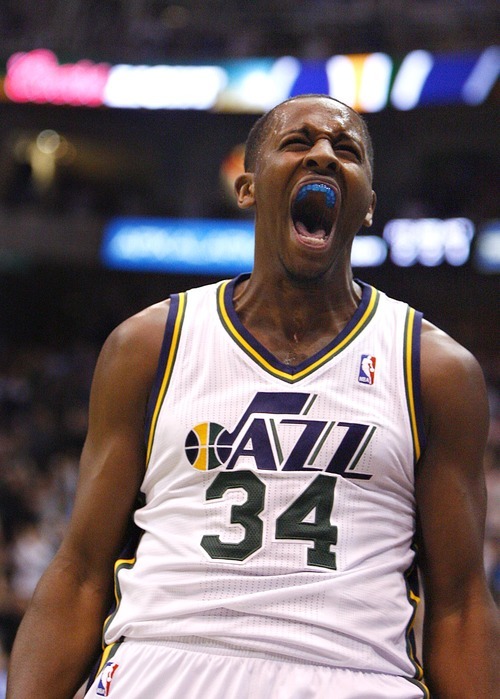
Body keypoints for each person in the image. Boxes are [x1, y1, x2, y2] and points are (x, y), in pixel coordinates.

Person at [7, 94, 498, 699]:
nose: (323, 154)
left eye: (347, 150)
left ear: (367, 206)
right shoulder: (147, 345)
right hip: (164, 661)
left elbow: (461, 607)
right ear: (247, 189)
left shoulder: (435, 370)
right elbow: (80, 572)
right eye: (298, 142)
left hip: (353, 672)